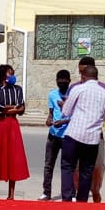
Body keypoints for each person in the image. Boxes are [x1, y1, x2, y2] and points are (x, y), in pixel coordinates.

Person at [60, 64, 105, 202]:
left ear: (83, 76)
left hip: (74, 134)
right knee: (86, 171)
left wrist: (65, 106)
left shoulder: (78, 89)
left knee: (68, 167)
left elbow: (66, 111)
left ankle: (67, 199)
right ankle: (82, 201)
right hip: (92, 138)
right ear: (96, 77)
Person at [0, 64, 30, 199]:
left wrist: (11, 109)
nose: (12, 76)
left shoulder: (17, 89)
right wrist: (14, 108)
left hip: (12, 125)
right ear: (2, 75)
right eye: (9, 73)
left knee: (13, 157)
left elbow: (22, 108)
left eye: (12, 73)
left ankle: (11, 194)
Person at [39, 69, 73, 200]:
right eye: (59, 82)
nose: (62, 84)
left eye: (64, 82)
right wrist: (49, 120)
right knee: (48, 164)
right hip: (53, 135)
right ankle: (46, 192)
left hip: (68, 135)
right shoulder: (52, 95)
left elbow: (77, 115)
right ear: (56, 82)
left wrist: (63, 121)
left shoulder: (73, 95)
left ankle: (71, 194)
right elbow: (51, 113)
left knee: (68, 166)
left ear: (69, 81)